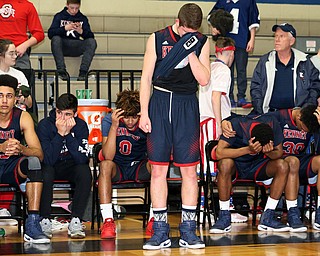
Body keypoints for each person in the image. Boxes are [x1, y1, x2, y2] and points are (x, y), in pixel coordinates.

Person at [139, 3, 210, 250]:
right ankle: (160, 231)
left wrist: (189, 50)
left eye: (193, 32)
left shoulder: (201, 41)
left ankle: (188, 230)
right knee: (158, 170)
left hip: (186, 105)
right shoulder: (157, 38)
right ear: (176, 22)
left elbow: (204, 79)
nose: (188, 35)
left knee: (189, 171)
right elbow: (146, 77)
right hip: (159, 103)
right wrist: (144, 113)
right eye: (185, 31)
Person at [210, 115, 291, 233]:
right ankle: (224, 216)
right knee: (225, 163)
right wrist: (248, 149)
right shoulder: (236, 125)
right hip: (236, 165)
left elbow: (278, 153)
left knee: (283, 165)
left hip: (258, 165)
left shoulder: (273, 123)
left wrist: (267, 152)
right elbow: (219, 153)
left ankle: (268, 216)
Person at [0, 74, 49, 243]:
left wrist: (21, 148)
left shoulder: (23, 117)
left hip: (11, 167)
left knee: (34, 163)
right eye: (0, 96)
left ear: (15, 99)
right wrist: (1, 147)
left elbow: (39, 153)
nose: (4, 101)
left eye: (9, 96)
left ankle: (33, 224)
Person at [37, 93, 92, 239]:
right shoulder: (45, 125)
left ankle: (76, 220)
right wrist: (60, 134)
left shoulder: (80, 126)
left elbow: (82, 159)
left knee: (85, 172)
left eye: (67, 114)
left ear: (75, 113)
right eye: (59, 113)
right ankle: (44, 219)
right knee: (45, 172)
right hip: (52, 165)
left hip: (72, 165)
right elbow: (47, 159)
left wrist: (67, 135)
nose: (62, 118)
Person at [98, 89, 151, 239]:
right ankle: (108, 220)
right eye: (126, 117)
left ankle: (155, 219)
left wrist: (147, 125)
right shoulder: (110, 120)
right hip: (118, 167)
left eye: (134, 117)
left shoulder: (145, 120)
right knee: (105, 165)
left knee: (157, 166)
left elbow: (156, 152)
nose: (130, 121)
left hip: (139, 166)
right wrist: (115, 126)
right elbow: (108, 156)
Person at [250, 23, 320, 115]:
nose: (277, 40)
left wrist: (305, 111)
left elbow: (315, 86)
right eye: (276, 36)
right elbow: (255, 87)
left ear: (292, 41)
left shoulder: (304, 61)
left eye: (282, 36)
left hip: (296, 117)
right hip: (270, 114)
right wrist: (261, 110)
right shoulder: (265, 61)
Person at [208, 0, 260, 108]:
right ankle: (229, 96)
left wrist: (252, 39)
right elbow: (212, 17)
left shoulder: (249, 2)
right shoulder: (223, 1)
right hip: (226, 43)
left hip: (241, 41)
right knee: (227, 71)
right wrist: (217, 29)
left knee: (241, 70)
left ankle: (241, 96)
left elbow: (252, 21)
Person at [199, 37, 235, 176]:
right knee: (215, 167)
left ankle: (203, 197)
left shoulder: (209, 68)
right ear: (232, 54)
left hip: (204, 121)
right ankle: (215, 197)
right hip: (214, 120)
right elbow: (216, 97)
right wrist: (219, 124)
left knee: (204, 165)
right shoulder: (224, 70)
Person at [48, 0, 97, 81]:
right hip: (62, 46)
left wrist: (81, 32)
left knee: (92, 42)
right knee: (55, 39)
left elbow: (90, 36)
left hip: (76, 46)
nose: (74, 10)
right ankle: (61, 71)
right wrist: (64, 28)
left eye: (77, 8)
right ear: (67, 5)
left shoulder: (83, 18)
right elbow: (51, 33)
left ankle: (83, 72)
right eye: (72, 8)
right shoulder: (59, 16)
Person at [0, 0, 44, 70]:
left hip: (18, 53)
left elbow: (39, 34)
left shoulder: (27, 6)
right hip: (1, 50)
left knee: (23, 78)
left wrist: (24, 46)